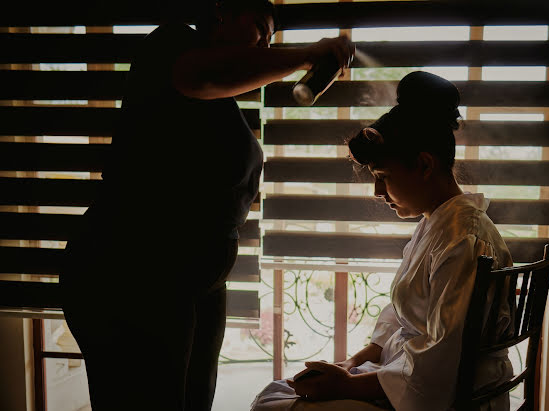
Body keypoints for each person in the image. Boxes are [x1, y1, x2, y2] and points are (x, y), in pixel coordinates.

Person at [60, 1, 355, 410]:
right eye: (259, 28)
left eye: (271, 38)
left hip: (188, 282)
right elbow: (207, 74)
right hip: (131, 273)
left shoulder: (218, 107)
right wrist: (306, 54)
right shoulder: (172, 45)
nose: (265, 45)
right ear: (221, 13)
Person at [251, 71, 515, 411]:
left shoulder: (462, 239)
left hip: (438, 399)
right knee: (278, 391)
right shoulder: (440, 225)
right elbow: (403, 319)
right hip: (408, 379)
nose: (378, 193)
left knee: (270, 406)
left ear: (423, 165)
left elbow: (438, 366)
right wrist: (349, 365)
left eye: (383, 177)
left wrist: (347, 385)